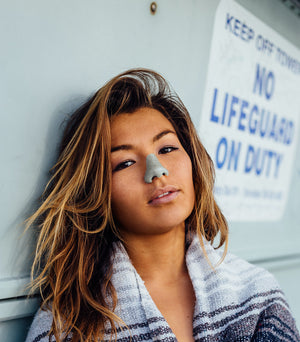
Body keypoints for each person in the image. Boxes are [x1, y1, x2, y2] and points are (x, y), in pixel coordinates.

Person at [25, 69, 300, 342]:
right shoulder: (64, 327)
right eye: (125, 163)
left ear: (193, 160)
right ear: (97, 192)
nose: (156, 172)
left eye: (167, 149)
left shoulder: (256, 295)